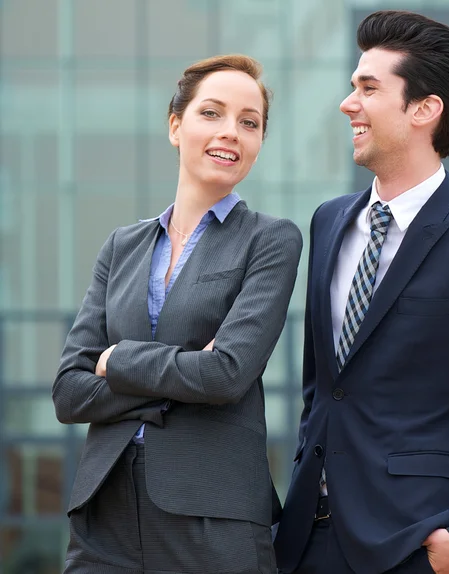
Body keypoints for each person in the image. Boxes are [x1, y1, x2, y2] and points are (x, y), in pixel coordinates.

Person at [274, 11, 449, 574]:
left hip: (417, 545)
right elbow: (322, 391)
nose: (348, 104)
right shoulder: (328, 223)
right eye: (353, 86)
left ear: (425, 109)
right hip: (306, 542)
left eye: (368, 89)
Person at [52, 54, 303, 574]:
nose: (231, 132)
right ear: (175, 126)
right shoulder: (121, 246)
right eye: (212, 113)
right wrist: (182, 374)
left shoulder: (269, 240)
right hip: (106, 513)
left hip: (212, 516)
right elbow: (70, 391)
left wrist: (117, 359)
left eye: (249, 122)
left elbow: (225, 374)